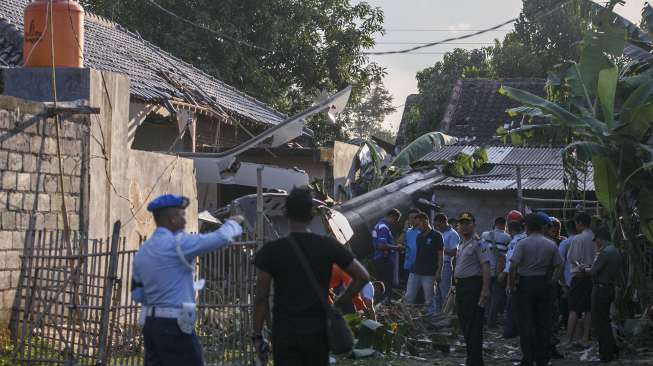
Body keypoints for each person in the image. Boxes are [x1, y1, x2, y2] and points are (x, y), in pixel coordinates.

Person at [253, 187, 369, 366]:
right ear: (311, 214)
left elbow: (260, 297)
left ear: (285, 213)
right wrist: (338, 302)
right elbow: (362, 276)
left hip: (285, 333)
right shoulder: (327, 246)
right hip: (317, 333)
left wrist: (258, 336)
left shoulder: (271, 251)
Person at [132, 194, 244, 366]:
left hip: (150, 325)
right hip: (175, 325)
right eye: (182, 215)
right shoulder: (179, 244)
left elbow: (138, 294)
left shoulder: (143, 252)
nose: (185, 221)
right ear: (171, 219)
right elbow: (220, 238)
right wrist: (234, 223)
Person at [508, 213, 563, 366]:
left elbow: (513, 266)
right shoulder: (550, 244)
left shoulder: (523, 244)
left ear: (527, 227)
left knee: (526, 324)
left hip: (525, 285)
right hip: (544, 284)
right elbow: (559, 265)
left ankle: (528, 358)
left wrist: (512, 285)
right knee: (543, 324)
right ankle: (542, 359)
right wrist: (552, 281)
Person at [453, 212, 491, 366]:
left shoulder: (479, 243)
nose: (463, 226)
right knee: (465, 324)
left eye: (467, 223)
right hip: (461, 287)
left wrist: (485, 289)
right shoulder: (462, 243)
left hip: (473, 286)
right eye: (461, 223)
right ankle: (472, 359)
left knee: (473, 325)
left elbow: (486, 266)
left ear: (474, 225)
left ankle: (475, 361)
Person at [590, 226, 621, 362]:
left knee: (600, 322)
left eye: (596, 240)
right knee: (605, 322)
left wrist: (586, 269)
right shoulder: (615, 251)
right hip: (609, 287)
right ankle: (612, 349)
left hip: (601, 289)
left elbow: (594, 271)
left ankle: (606, 354)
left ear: (600, 239)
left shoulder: (604, 252)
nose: (596, 243)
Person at [566, 212, 595, 345]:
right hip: (592, 277)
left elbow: (571, 258)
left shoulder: (578, 239)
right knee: (588, 309)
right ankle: (585, 337)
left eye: (576, 223)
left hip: (579, 277)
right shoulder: (595, 237)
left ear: (580, 223)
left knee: (574, 309)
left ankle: (569, 339)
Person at [404, 213, 443, 311]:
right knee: (408, 297)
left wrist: (438, 272)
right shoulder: (419, 236)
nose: (416, 227)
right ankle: (406, 322)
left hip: (429, 273)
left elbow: (440, 256)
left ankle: (431, 322)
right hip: (415, 271)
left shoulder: (437, 236)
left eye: (418, 224)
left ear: (425, 221)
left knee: (429, 300)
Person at [481, 217, 511, 328]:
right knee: (496, 298)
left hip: (485, 270)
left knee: (485, 295)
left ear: (495, 224)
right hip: (499, 272)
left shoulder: (484, 235)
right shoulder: (507, 238)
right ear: (505, 225)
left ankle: (484, 318)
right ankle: (491, 322)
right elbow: (507, 257)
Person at [502, 220, 526, 339]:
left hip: (516, 278)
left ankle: (510, 332)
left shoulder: (515, 242)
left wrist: (509, 284)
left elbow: (511, 265)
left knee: (511, 306)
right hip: (526, 278)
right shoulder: (524, 239)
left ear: (510, 230)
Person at [372, 209, 402, 301]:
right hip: (384, 260)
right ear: (391, 216)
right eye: (396, 220)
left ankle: (380, 302)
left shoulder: (379, 225)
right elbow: (381, 245)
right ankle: (384, 303)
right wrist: (396, 247)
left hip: (380, 259)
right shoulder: (383, 227)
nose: (396, 222)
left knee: (381, 284)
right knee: (386, 285)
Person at [433, 213, 460, 313]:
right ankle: (437, 317)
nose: (437, 227)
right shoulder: (439, 233)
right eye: (435, 225)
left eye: (438, 225)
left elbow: (454, 252)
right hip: (435, 266)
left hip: (446, 265)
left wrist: (439, 250)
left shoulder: (453, 234)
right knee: (436, 294)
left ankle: (446, 317)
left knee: (445, 293)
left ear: (444, 222)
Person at [558, 221, 577, 327]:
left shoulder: (565, 243)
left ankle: (568, 327)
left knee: (570, 307)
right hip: (583, 277)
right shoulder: (586, 241)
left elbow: (560, 264)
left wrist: (562, 282)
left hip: (568, 279)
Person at [397, 209, 422, 284]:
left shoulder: (425, 232)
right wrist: (405, 229)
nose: (412, 220)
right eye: (410, 218)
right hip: (409, 268)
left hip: (422, 268)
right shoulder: (407, 232)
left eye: (414, 218)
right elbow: (399, 242)